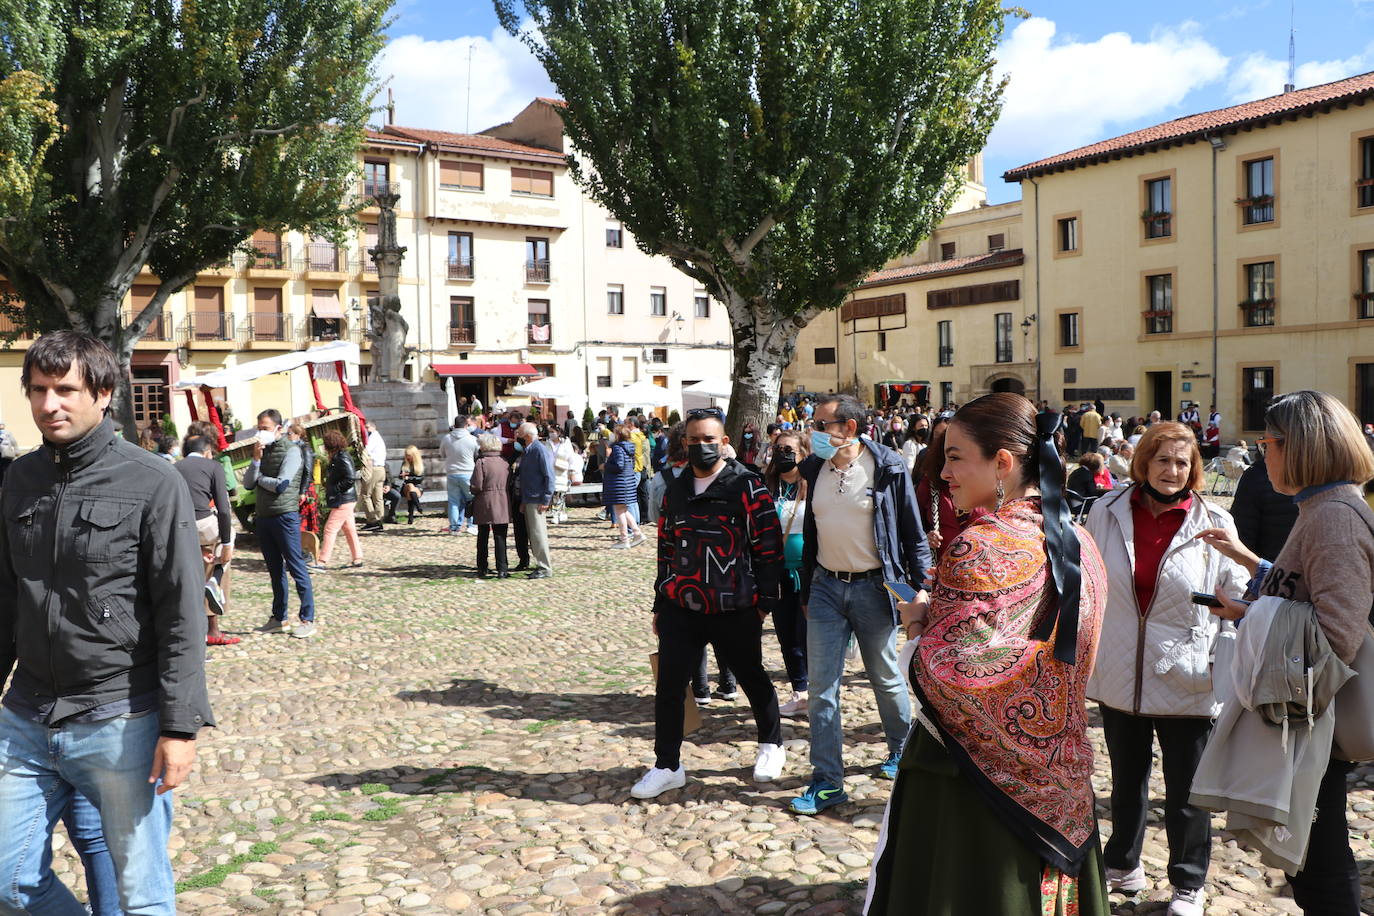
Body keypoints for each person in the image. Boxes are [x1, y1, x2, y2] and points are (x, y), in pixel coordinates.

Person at [865, 393, 1110, 916]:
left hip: (971, 779)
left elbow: (953, 670)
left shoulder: (979, 544)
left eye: (955, 456)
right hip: (1060, 772)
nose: (942, 472)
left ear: (1003, 462)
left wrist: (915, 628)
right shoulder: (1077, 538)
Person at [0, 330, 213, 911]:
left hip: (122, 717)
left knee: (139, 895)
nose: (50, 405)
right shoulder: (18, 479)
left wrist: (180, 727)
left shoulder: (153, 481)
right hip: (26, 717)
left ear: (103, 392)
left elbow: (182, 612)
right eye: (39, 390)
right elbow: (5, 599)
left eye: (66, 389)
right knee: (8, 884)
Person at [1200, 390, 1374, 916]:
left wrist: (1254, 616)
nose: (1260, 455)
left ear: (1298, 447)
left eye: (1266, 444)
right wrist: (1254, 576)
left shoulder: (1335, 516)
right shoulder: (1320, 507)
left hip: (1318, 718)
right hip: (1309, 713)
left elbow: (1337, 632)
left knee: (1321, 862)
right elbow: (1302, 587)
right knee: (1310, 860)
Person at [1084, 422, 1248, 916]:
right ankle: (1124, 863)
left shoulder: (1213, 519)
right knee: (1126, 778)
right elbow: (1087, 579)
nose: (1172, 471)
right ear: (1144, 463)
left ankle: (1188, 882)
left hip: (1188, 672)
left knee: (1187, 791)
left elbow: (1238, 587)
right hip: (1120, 669)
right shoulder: (1106, 511)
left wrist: (1233, 604)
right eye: (1162, 460)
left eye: (1182, 462)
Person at [632, 408, 786, 798]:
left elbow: (769, 547)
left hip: (735, 607)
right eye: (695, 439)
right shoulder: (676, 488)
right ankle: (667, 764)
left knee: (751, 677)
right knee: (669, 687)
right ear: (684, 443)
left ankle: (771, 745)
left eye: (709, 439)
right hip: (680, 607)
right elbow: (665, 547)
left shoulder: (747, 486)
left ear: (724, 443)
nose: (702, 446)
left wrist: (764, 602)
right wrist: (659, 600)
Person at [790, 394, 931, 816]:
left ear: (848, 428)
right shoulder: (813, 467)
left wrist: (920, 587)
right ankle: (827, 780)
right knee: (822, 690)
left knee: (885, 676)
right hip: (826, 587)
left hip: (876, 587)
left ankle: (900, 751)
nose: (813, 432)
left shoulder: (887, 466)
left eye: (821, 424)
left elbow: (911, 531)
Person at [244, 408, 317, 638]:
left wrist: (260, 480)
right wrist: (255, 461)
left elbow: (281, 484)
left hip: (284, 515)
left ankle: (307, 618)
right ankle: (279, 617)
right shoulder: (262, 451)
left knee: (296, 566)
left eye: (264, 428)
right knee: (274, 570)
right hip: (264, 516)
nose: (260, 432)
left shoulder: (292, 451)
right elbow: (247, 483)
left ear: (278, 428)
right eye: (258, 427)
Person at [175, 436, 239, 646]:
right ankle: (216, 579)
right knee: (229, 533)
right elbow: (223, 509)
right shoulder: (213, 466)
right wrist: (227, 544)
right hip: (203, 523)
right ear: (208, 451)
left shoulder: (175, 467)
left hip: (180, 527)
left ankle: (193, 632)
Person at [763, 430, 810, 717]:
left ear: (803, 454)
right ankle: (799, 692)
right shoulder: (767, 485)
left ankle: (819, 692)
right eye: (778, 449)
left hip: (807, 571)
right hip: (778, 571)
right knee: (786, 634)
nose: (783, 454)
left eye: (789, 449)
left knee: (808, 635)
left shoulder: (813, 485)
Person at [1229, 452, 1299, 562]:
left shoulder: (1256, 476)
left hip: (1268, 569)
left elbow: (1241, 539)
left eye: (1265, 443)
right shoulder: (1325, 476)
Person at [316, 430, 362, 570]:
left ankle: (322, 561)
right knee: (349, 529)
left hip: (343, 499)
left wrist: (335, 489)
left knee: (330, 529)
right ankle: (357, 558)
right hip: (345, 498)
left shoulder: (342, 457)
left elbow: (350, 478)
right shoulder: (339, 456)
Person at [515, 422, 555, 580]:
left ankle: (545, 567)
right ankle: (540, 564)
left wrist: (546, 498)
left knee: (539, 534)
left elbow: (549, 475)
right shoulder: (530, 450)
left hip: (537, 498)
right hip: (530, 497)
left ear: (527, 436)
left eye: (520, 434)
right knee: (534, 534)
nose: (518, 436)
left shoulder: (539, 450)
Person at [470, 435, 512, 578]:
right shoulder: (504, 462)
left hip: (485, 502)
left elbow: (477, 485)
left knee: (483, 536)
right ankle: (502, 568)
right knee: (500, 536)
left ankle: (482, 567)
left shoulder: (481, 463)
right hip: (502, 501)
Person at [604, 425, 645, 548]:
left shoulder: (617, 448)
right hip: (626, 483)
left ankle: (624, 539)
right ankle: (637, 533)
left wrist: (606, 465)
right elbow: (629, 465)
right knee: (624, 510)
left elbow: (619, 465)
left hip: (619, 484)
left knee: (619, 511)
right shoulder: (630, 448)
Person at [440, 415, 479, 534]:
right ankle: (471, 525)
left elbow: (442, 454)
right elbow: (477, 454)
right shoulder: (472, 439)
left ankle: (454, 527)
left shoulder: (446, 438)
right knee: (471, 499)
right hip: (468, 472)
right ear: (466, 425)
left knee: (453, 501)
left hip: (452, 472)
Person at [360, 420, 388, 531]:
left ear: (372, 427)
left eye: (367, 428)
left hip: (374, 469)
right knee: (378, 498)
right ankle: (379, 520)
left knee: (365, 495)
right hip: (381, 469)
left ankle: (372, 521)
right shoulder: (378, 438)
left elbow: (366, 451)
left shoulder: (373, 437)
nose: (366, 430)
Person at [400, 445, 425, 524]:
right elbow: (400, 476)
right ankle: (419, 507)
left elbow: (420, 478)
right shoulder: (404, 463)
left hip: (417, 487)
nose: (407, 457)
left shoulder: (420, 465)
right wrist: (403, 476)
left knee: (411, 492)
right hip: (406, 486)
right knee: (410, 486)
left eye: (409, 456)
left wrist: (409, 478)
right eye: (406, 455)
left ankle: (410, 516)